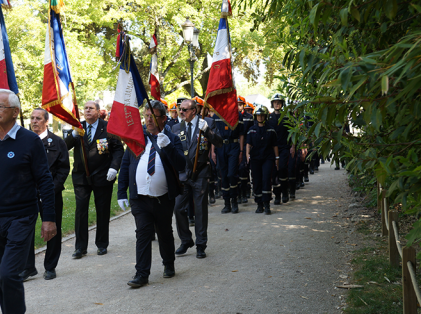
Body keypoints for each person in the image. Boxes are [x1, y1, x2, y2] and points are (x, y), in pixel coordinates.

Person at [117, 100, 186, 288]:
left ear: (163, 119)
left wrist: (169, 146)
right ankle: (142, 274)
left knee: (164, 232)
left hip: (163, 198)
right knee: (143, 233)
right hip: (140, 198)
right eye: (146, 115)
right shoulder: (137, 139)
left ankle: (168, 263)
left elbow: (181, 165)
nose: (148, 119)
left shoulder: (172, 138)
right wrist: (121, 191)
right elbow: (125, 165)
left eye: (153, 116)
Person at [0, 89, 57, 314]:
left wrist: (49, 219)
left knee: (8, 273)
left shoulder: (29, 140)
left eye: (0, 107)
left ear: (15, 112)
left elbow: (44, 180)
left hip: (21, 217)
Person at [65, 101, 124, 259]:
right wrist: (74, 135)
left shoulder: (108, 128)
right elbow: (64, 147)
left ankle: (102, 244)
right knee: (81, 211)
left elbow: (118, 149)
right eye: (86, 108)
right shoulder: (78, 127)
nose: (87, 110)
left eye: (91, 108)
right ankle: (80, 248)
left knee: (102, 211)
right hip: (81, 177)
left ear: (98, 112)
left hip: (103, 176)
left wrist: (114, 167)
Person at [19, 109, 70, 281]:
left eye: (38, 118)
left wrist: (50, 189)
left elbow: (63, 169)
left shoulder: (57, 142)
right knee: (25, 230)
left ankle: (50, 266)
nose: (34, 121)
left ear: (46, 121)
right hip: (27, 195)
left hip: (51, 193)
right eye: (32, 118)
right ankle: (27, 267)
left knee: (52, 229)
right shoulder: (23, 141)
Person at [172, 99, 222, 258]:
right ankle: (186, 240)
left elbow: (219, 142)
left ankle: (201, 244)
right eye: (180, 110)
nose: (181, 112)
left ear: (194, 111)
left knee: (200, 210)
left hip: (200, 173)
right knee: (178, 208)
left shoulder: (207, 122)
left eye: (184, 110)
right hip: (183, 174)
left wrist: (207, 131)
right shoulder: (175, 128)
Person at [246, 105, 278, 215]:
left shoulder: (271, 129)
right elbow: (248, 144)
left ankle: (267, 204)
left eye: (262, 115)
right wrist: (247, 156)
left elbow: (275, 145)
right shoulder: (251, 130)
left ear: (266, 116)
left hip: (268, 158)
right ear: (255, 116)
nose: (260, 117)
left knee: (266, 179)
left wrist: (277, 158)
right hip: (255, 159)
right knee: (257, 181)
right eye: (258, 115)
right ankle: (259, 204)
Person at [212, 108, 244, 214]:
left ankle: (234, 201)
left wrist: (241, 150)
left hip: (234, 146)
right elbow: (213, 135)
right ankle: (227, 203)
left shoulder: (237, 115)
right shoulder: (216, 116)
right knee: (224, 175)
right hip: (221, 146)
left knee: (231, 174)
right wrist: (212, 151)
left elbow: (241, 134)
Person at [267, 94, 295, 204]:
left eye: (279, 102)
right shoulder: (269, 118)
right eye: (275, 102)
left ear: (282, 104)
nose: (277, 104)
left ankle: (285, 192)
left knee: (283, 169)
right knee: (273, 172)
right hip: (272, 149)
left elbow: (292, 132)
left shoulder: (287, 117)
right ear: (272, 104)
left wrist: (293, 146)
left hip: (284, 148)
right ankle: (277, 195)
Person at [237, 96, 254, 204]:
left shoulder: (249, 117)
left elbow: (251, 131)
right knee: (237, 170)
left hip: (246, 145)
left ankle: (245, 191)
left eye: (240, 104)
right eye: (237, 104)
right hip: (235, 145)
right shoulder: (233, 116)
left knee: (244, 169)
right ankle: (239, 193)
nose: (238, 106)